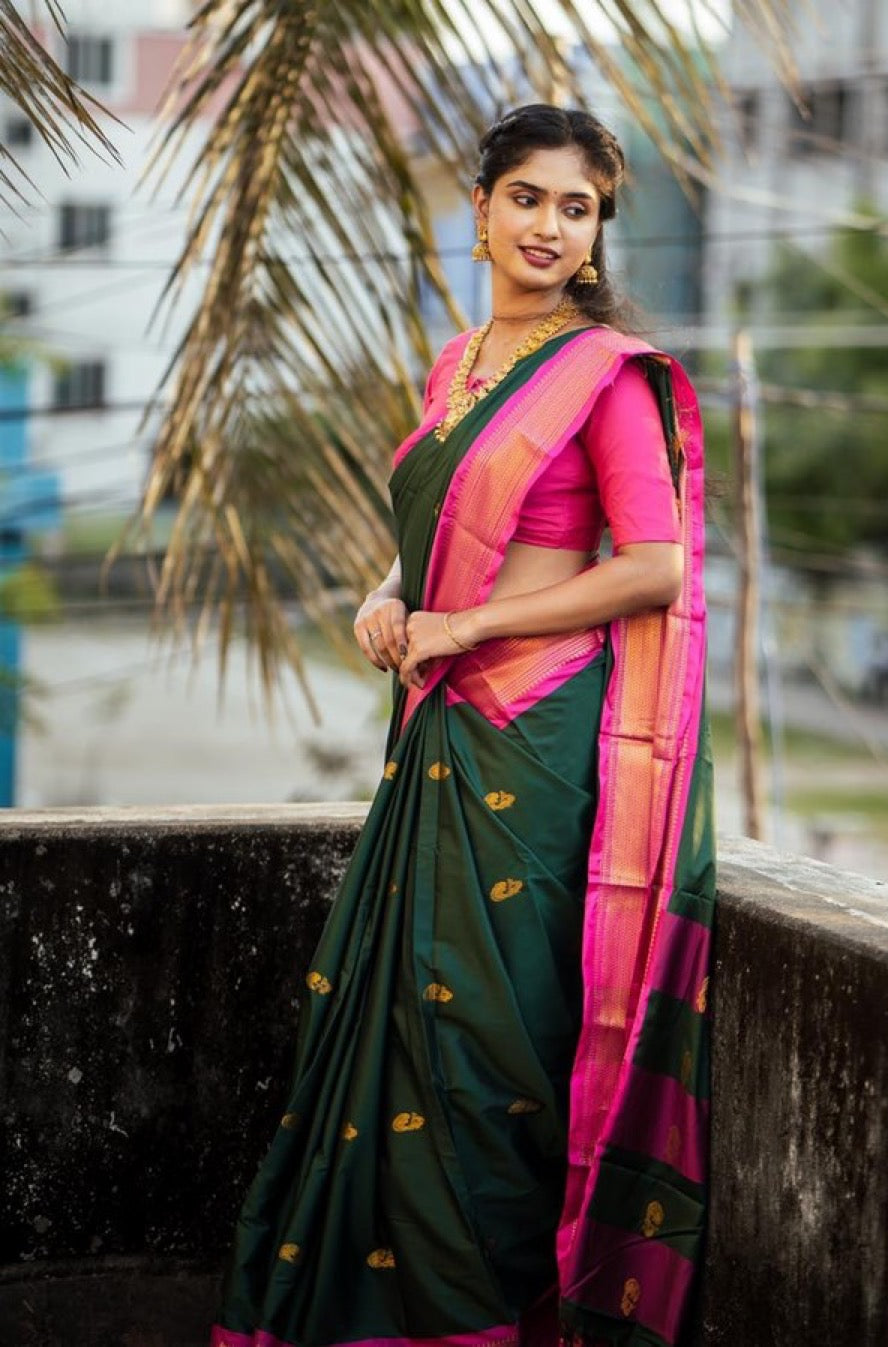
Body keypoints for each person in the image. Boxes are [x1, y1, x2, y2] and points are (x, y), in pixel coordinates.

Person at [211, 103, 716, 1347]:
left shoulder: (602, 375)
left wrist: (461, 632)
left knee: (491, 1040)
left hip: (532, 738)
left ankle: (482, 1317)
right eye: (530, 197)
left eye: (579, 206)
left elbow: (652, 566)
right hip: (442, 721)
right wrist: (395, 598)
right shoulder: (458, 368)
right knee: (394, 1020)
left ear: (598, 232)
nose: (551, 225)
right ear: (481, 208)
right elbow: (435, 553)